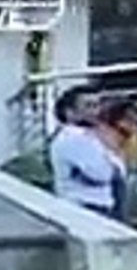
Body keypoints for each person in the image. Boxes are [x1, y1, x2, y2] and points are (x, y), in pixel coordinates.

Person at [48, 86, 124, 218]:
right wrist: (113, 161)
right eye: (88, 106)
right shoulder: (73, 137)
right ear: (70, 112)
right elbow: (101, 174)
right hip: (85, 207)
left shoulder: (91, 136)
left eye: (97, 105)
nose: (95, 112)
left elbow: (120, 169)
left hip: (99, 206)